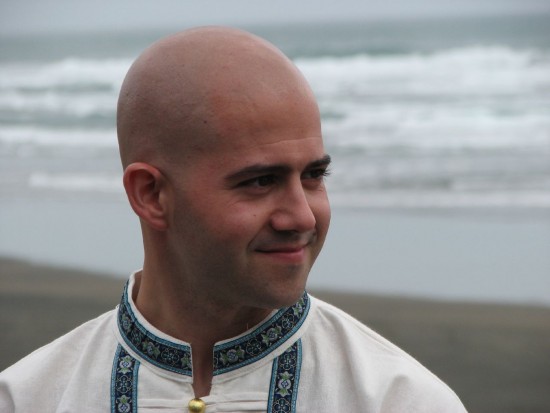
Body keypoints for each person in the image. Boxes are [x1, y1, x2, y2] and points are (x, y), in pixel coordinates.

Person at [0, 27, 467, 412]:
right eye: (260, 181)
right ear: (152, 195)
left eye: (314, 176)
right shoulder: (29, 397)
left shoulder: (400, 400)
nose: (302, 217)